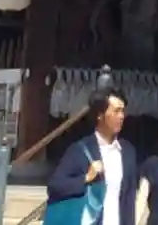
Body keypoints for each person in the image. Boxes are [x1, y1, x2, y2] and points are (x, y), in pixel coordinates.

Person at [45, 87, 139, 225]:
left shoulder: (127, 151)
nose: (121, 116)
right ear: (100, 115)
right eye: (116, 111)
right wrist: (86, 178)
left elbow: (129, 199)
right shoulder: (80, 150)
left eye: (123, 111)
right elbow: (55, 186)